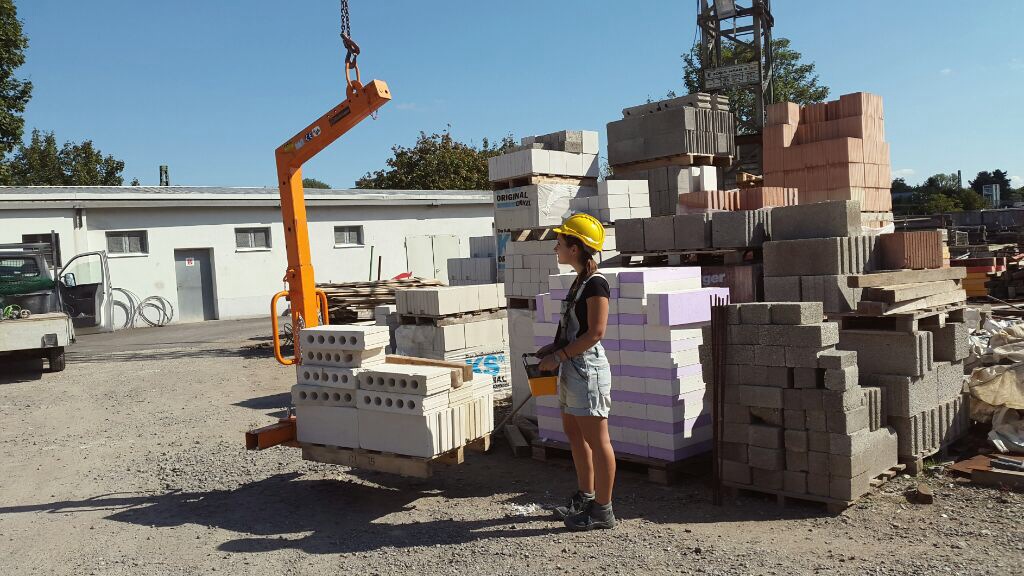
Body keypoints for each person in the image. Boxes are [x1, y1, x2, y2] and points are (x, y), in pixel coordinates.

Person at [537, 213, 616, 530]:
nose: (556, 247)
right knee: (574, 434)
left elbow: (596, 332)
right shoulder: (579, 281)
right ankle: (586, 495)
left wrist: (560, 356)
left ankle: (603, 511)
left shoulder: (596, 284)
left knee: (598, 441)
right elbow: (572, 327)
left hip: (587, 370)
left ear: (575, 247)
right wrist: (552, 348)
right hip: (571, 367)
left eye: (559, 243)